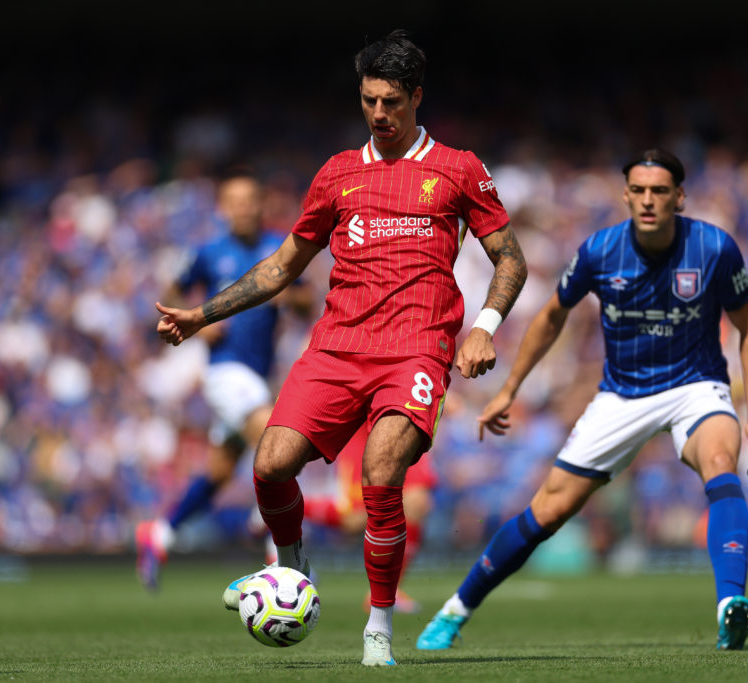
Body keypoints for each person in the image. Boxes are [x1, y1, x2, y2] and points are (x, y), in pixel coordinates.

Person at [154, 29, 527, 666]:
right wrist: (200, 313)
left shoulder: (458, 168)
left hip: (416, 348)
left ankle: (378, 625)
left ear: (416, 97)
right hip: (336, 346)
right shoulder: (337, 174)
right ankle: (293, 569)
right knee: (269, 464)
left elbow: (509, 260)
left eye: (391, 101)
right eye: (367, 100)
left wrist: (486, 325)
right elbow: (281, 266)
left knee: (383, 476)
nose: (379, 114)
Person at [416, 148, 748, 653]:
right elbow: (550, 317)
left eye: (660, 191)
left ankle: (729, 607)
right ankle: (455, 611)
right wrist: (510, 390)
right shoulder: (600, 252)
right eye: (640, 191)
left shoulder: (714, 248)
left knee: (720, 461)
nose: (649, 201)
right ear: (626, 195)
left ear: (679, 197)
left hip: (696, 386)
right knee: (548, 511)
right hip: (622, 394)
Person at [136, 169, 311, 591]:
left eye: (251, 200)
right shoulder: (209, 252)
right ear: (224, 208)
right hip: (225, 371)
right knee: (279, 443)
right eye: (236, 201)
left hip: (257, 373)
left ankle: (160, 533)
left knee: (219, 470)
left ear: (260, 204)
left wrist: (290, 296)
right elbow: (173, 292)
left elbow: (307, 302)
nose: (244, 208)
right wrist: (202, 319)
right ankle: (276, 546)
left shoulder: (278, 248)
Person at [301, 421, 437, 614]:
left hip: (406, 424)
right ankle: (289, 503)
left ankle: (390, 591)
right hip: (365, 431)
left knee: (417, 501)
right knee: (354, 519)